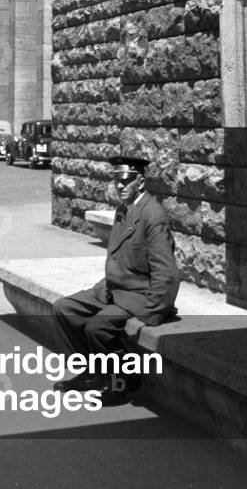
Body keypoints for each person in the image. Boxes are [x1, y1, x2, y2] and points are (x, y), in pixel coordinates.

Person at [52, 154, 180, 404]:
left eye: (126, 181)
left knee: (97, 328)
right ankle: (93, 373)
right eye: (117, 180)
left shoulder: (152, 216)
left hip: (137, 295)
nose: (120, 186)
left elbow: (167, 272)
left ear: (140, 182)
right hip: (112, 289)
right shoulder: (125, 209)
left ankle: (122, 383)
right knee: (63, 309)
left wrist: (152, 312)